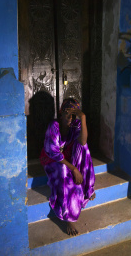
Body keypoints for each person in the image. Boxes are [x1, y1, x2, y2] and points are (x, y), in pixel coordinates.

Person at [40, 98, 96, 236]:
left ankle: (88, 187)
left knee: (84, 147)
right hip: (51, 160)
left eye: (73, 114)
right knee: (64, 170)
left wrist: (82, 117)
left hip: (68, 159)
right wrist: (74, 169)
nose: (70, 117)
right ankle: (68, 217)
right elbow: (53, 153)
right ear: (61, 113)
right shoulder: (54, 125)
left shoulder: (76, 124)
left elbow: (83, 141)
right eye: (67, 113)